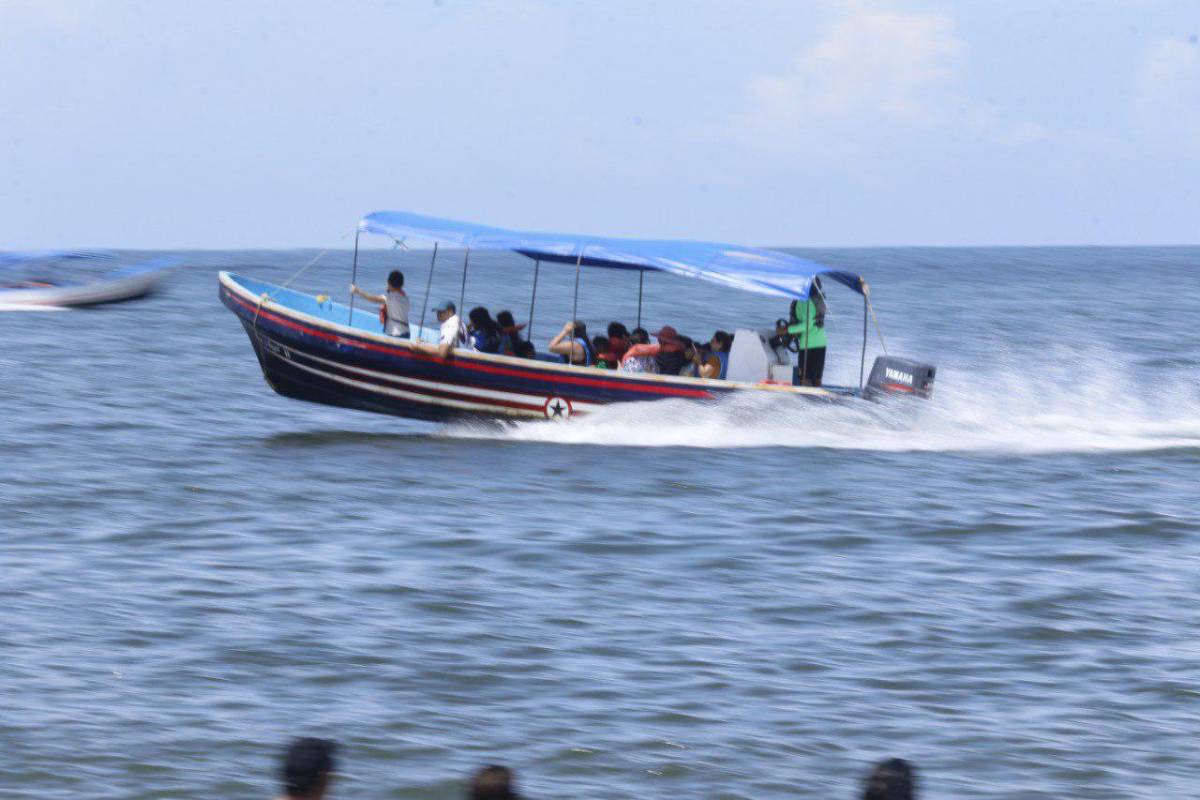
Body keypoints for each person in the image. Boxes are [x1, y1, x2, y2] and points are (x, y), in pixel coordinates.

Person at [776, 277, 828, 386]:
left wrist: (786, 330)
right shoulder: (817, 300)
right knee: (817, 378)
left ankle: (805, 396)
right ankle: (817, 395)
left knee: (805, 378)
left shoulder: (803, 302)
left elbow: (807, 325)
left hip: (809, 344)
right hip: (821, 342)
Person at [350, 270, 409, 337]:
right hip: (406, 333)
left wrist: (357, 291)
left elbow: (372, 298)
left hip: (395, 334)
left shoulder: (389, 298)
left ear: (388, 283)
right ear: (402, 284)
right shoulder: (405, 298)